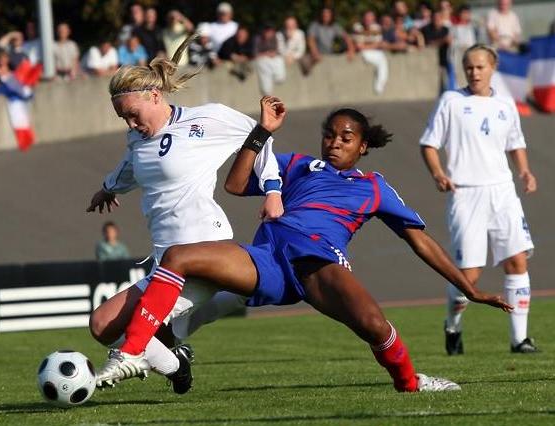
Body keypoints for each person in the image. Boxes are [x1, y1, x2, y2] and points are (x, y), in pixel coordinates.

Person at [94, 94, 513, 393]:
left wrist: (469, 289)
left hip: (318, 262)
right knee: (179, 256)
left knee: (373, 326)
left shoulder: (374, 188)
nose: (334, 142)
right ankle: (138, 349)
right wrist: (259, 134)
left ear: (363, 147)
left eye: (346, 138)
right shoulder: (300, 166)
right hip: (266, 259)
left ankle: (410, 383)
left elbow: (420, 241)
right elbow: (237, 183)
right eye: (330, 135)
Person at [85, 35, 282, 392]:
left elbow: (260, 136)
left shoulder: (208, 119)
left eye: (133, 114)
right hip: (167, 264)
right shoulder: (137, 140)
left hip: (206, 246)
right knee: (102, 325)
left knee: (139, 333)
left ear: (156, 97)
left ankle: (135, 355)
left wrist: (272, 189)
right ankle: (178, 364)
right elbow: (131, 167)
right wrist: (108, 189)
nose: (130, 124)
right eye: (123, 118)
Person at [419, 44, 538, 355]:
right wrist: (438, 174)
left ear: (492, 67)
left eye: (480, 66)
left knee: (517, 261)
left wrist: (524, 171)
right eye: (469, 67)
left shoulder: (505, 102)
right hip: (466, 193)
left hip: (502, 191)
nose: (474, 72)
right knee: (469, 275)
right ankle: (452, 326)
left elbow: (516, 143)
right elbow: (429, 144)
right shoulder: (452, 101)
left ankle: (519, 339)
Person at [351, 12, 389, 95]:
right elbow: (358, 46)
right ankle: (378, 86)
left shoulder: (376, 27)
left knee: (382, 59)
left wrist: (367, 45)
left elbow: (379, 44)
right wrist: (371, 45)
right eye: (366, 18)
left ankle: (379, 85)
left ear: (373, 19)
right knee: (380, 61)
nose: (367, 20)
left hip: (374, 51)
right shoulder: (357, 27)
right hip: (363, 53)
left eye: (370, 18)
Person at [253, 24, 286, 95]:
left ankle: (279, 77)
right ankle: (266, 90)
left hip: (274, 59)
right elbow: (255, 55)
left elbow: (280, 51)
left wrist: (273, 53)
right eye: (267, 32)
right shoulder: (258, 38)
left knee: (279, 60)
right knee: (263, 64)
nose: (269, 34)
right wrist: (266, 54)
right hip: (262, 60)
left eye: (271, 32)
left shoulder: (277, 37)